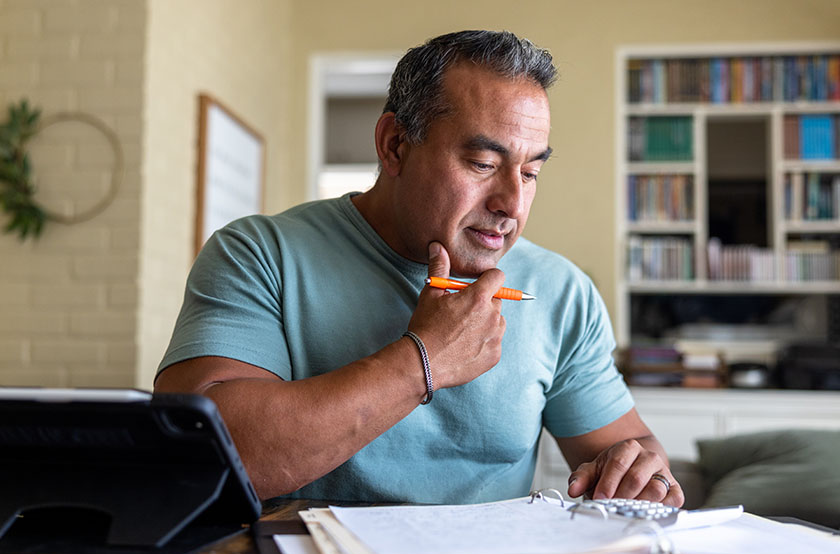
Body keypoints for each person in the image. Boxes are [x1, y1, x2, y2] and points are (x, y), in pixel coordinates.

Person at [155, 30, 684, 507]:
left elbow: (624, 448)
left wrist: (640, 471)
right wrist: (423, 361)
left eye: (530, 172)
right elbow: (202, 457)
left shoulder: (563, 291)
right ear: (395, 145)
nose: (511, 202)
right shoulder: (258, 254)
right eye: (482, 164)